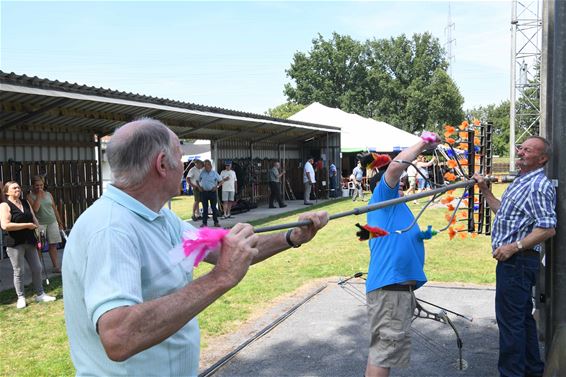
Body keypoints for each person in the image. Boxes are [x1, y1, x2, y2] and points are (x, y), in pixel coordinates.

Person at [62, 118, 329, 376]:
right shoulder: (111, 229)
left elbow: (228, 250)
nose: (185, 167)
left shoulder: (162, 218)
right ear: (163, 164)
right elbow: (119, 336)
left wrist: (291, 237)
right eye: (180, 158)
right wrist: (220, 278)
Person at [474, 136, 556, 377]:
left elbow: (547, 227)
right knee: (522, 321)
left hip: (518, 262)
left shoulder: (538, 185)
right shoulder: (522, 181)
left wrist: (514, 247)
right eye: (521, 148)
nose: (521, 152)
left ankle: (512, 373)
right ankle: (532, 371)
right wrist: (485, 190)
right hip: (514, 263)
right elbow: (504, 213)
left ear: (542, 159)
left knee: (510, 325)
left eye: (528, 150)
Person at [364, 133, 440, 377]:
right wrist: (422, 144)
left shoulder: (398, 205)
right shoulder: (382, 198)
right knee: (383, 354)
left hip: (397, 290)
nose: (402, 183)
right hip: (390, 289)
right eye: (397, 182)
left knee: (384, 352)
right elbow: (396, 167)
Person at [0, 181, 56, 309]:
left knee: (37, 268)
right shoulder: (5, 205)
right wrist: (27, 226)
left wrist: (38, 231)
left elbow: (34, 219)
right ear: (7, 191)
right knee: (19, 271)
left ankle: (40, 294)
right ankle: (21, 297)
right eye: (14, 188)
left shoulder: (25, 202)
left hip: (30, 240)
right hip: (15, 243)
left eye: (19, 187)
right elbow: (5, 225)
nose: (17, 189)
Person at [27, 175, 65, 273]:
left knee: (53, 245)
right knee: (39, 246)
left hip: (52, 222)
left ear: (44, 184)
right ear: (32, 185)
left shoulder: (48, 194)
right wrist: (39, 196)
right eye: (37, 185)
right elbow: (35, 209)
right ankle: (38, 268)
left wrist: (59, 222)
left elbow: (54, 208)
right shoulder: (29, 196)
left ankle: (56, 266)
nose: (39, 187)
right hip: (40, 224)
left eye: (41, 185)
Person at [198, 159, 223, 227]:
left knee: (214, 208)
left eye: (207, 165)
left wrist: (216, 187)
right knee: (205, 208)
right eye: (205, 165)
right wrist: (199, 187)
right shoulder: (202, 172)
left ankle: (216, 222)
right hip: (204, 193)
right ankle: (204, 223)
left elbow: (221, 181)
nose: (206, 167)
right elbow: (197, 181)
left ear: (210, 166)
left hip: (212, 192)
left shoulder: (214, 173)